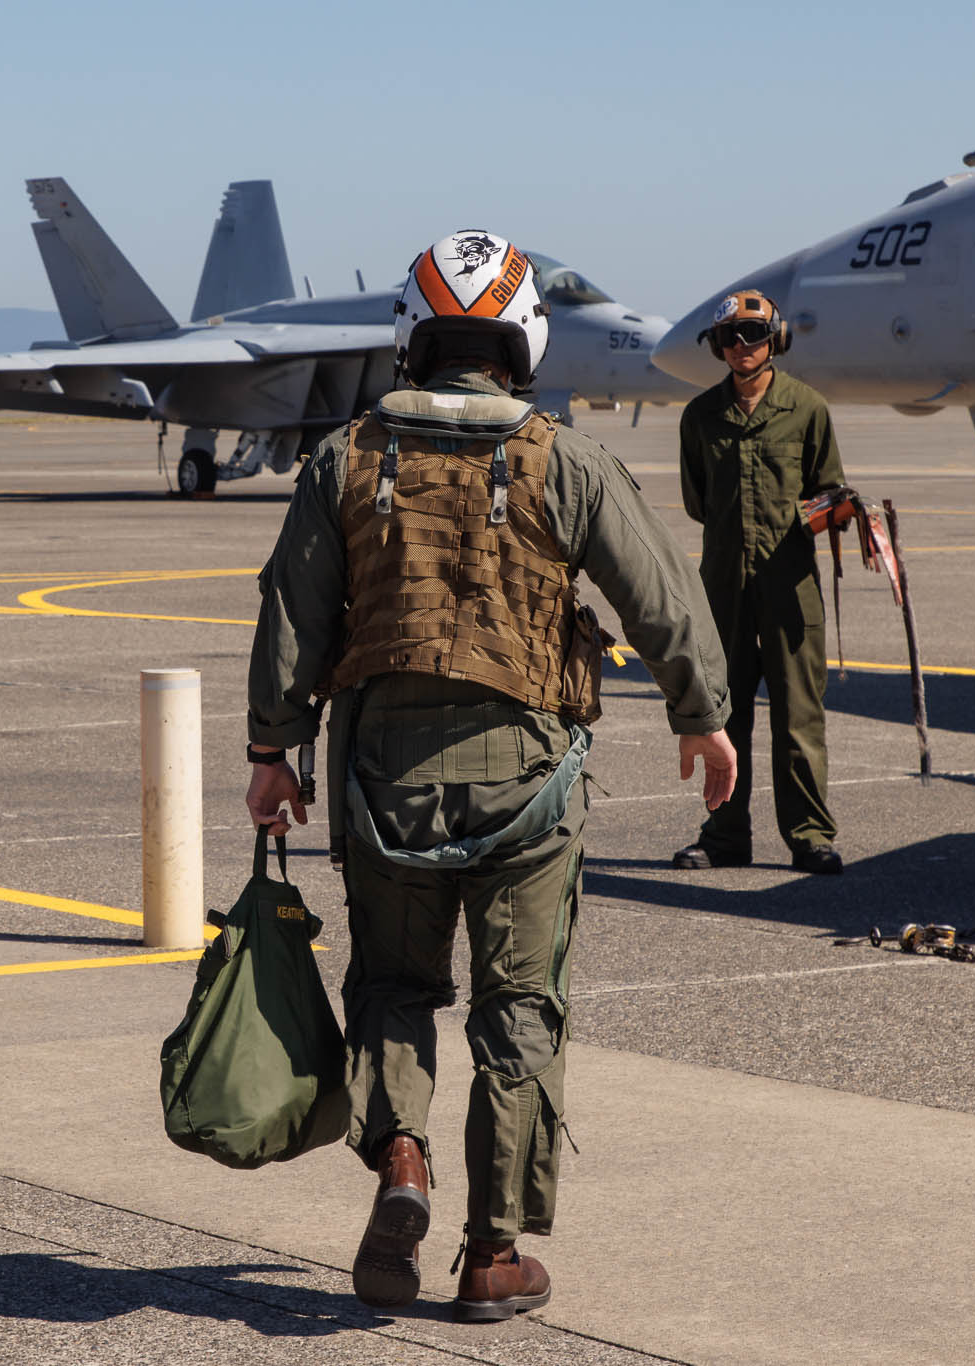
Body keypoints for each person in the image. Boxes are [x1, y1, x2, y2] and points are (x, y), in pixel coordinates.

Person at [245, 231, 736, 1322]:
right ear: (523, 338)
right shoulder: (563, 457)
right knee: (517, 1007)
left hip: (382, 775)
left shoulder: (345, 459)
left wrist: (270, 752)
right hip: (527, 780)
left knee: (390, 986)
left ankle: (402, 1164)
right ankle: (491, 1253)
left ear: (411, 336)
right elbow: (659, 598)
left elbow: (291, 617)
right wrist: (701, 722)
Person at [673, 289, 847, 876]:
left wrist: (833, 512)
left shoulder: (808, 409)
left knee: (799, 718)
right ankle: (725, 838)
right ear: (718, 347)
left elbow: (828, 488)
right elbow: (699, 503)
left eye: (751, 335)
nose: (740, 347)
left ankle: (810, 836)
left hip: (790, 590)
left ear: (776, 339)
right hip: (722, 589)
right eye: (729, 338)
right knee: (725, 716)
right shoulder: (699, 417)